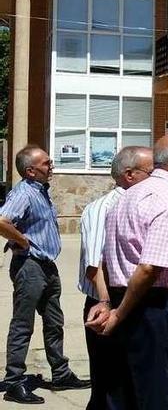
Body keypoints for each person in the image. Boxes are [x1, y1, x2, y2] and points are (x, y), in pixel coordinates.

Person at [88, 134, 168, 409]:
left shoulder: (127, 196)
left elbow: (111, 257)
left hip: (123, 301)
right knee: (159, 397)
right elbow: (150, 266)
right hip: (145, 310)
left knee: (122, 395)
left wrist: (110, 305)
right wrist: (120, 314)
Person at [0, 146, 90, 404]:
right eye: (46, 163)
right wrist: (24, 242)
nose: (51, 166)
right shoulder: (24, 192)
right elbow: (2, 221)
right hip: (29, 266)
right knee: (23, 324)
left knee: (54, 321)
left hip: (46, 265)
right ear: (31, 170)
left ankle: (61, 373)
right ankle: (14, 382)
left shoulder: (40, 191)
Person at [78, 146, 153, 409]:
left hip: (129, 302)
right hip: (106, 304)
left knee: (131, 386)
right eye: (151, 172)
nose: (156, 179)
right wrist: (107, 303)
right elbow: (94, 265)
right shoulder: (104, 208)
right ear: (130, 175)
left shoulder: (141, 205)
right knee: (110, 388)